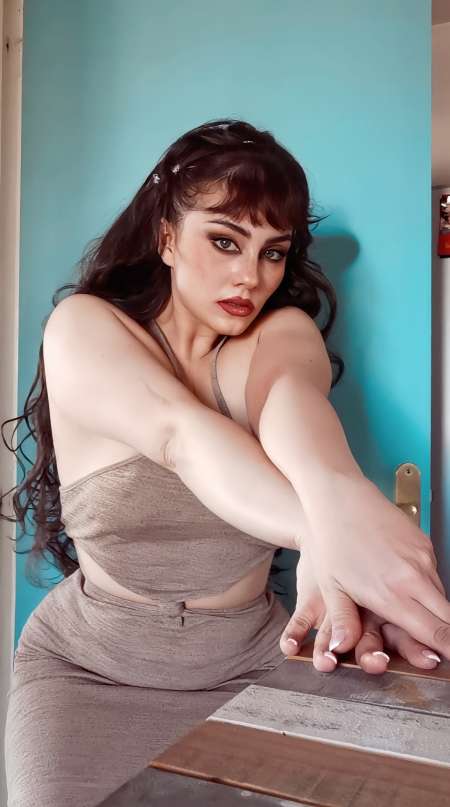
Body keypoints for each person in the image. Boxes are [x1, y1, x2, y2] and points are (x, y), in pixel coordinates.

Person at [2, 118, 449, 806]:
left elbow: (295, 406)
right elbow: (179, 436)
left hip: (251, 669)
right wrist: (336, 539)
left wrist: (341, 503)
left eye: (274, 252)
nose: (251, 275)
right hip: (87, 675)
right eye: (224, 241)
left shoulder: (277, 333)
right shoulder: (84, 328)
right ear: (167, 236)